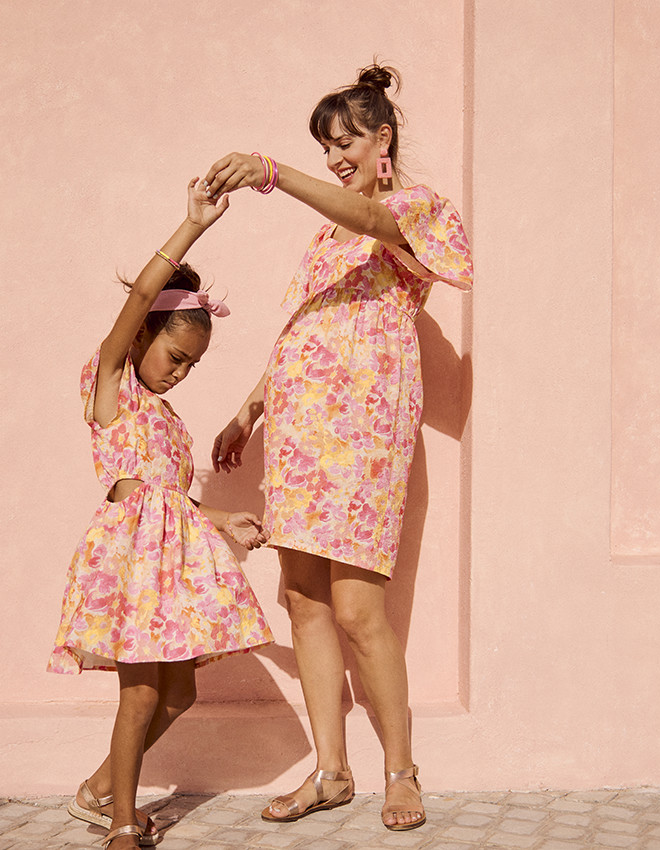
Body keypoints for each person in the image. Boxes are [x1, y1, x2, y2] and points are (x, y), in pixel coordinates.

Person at [205, 63, 473, 832]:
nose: (333, 159)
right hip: (301, 433)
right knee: (302, 595)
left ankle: (401, 771)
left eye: (345, 142)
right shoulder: (329, 235)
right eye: (324, 148)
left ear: (382, 139)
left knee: (358, 606)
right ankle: (330, 771)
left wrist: (271, 172)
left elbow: (376, 220)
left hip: (362, 428)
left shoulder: (415, 208)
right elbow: (311, 322)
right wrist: (252, 405)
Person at [47, 177, 274, 849]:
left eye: (192, 366)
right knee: (141, 695)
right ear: (143, 334)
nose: (180, 373)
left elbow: (171, 500)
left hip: (171, 569)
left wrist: (222, 520)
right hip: (130, 565)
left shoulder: (169, 421)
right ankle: (122, 821)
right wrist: (194, 224)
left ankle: (96, 790)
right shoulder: (111, 386)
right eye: (175, 356)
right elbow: (142, 295)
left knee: (179, 695)